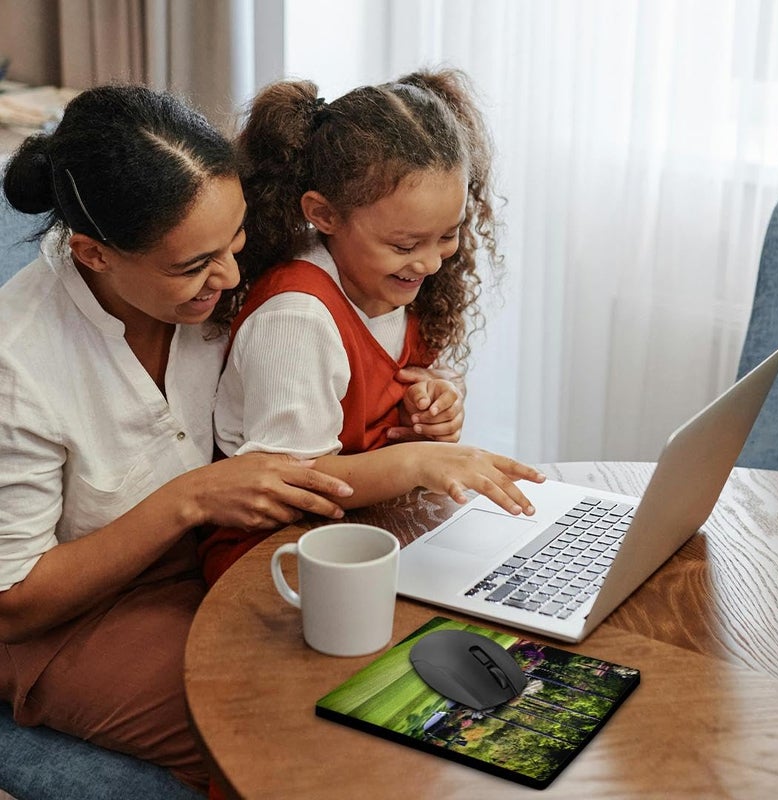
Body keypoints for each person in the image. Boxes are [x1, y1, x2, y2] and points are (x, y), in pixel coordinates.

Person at [0, 85, 355, 794]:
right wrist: (190, 499)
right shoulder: (20, 362)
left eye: (236, 241)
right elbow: (14, 600)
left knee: (371, 680)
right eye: (193, 266)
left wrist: (424, 387)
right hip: (71, 622)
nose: (227, 277)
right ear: (93, 255)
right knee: (285, 737)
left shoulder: (220, 283)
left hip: (215, 566)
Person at [200, 68, 546, 586]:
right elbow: (295, 481)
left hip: (370, 531)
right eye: (406, 246)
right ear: (323, 214)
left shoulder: (391, 286)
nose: (430, 264)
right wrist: (417, 462)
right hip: (273, 555)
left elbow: (390, 398)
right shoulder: (296, 318)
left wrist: (433, 408)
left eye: (447, 236)